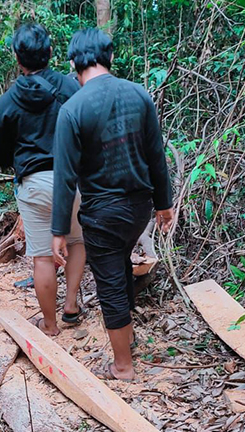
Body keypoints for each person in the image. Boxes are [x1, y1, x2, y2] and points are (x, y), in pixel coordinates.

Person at [51, 29, 174, 381]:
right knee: (120, 264)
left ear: (73, 63)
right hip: (139, 208)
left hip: (102, 212)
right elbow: (156, 155)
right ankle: (128, 337)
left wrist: (59, 230)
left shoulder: (72, 109)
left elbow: (65, 177)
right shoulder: (139, 94)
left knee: (109, 283)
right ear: (111, 57)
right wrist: (164, 204)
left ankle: (122, 366)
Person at [0, 23, 86, 337]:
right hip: (72, 179)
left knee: (42, 256)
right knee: (76, 241)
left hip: (34, 183)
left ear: (17, 58)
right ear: (50, 51)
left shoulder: (8, 101)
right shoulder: (71, 88)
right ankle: (70, 305)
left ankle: (50, 324)